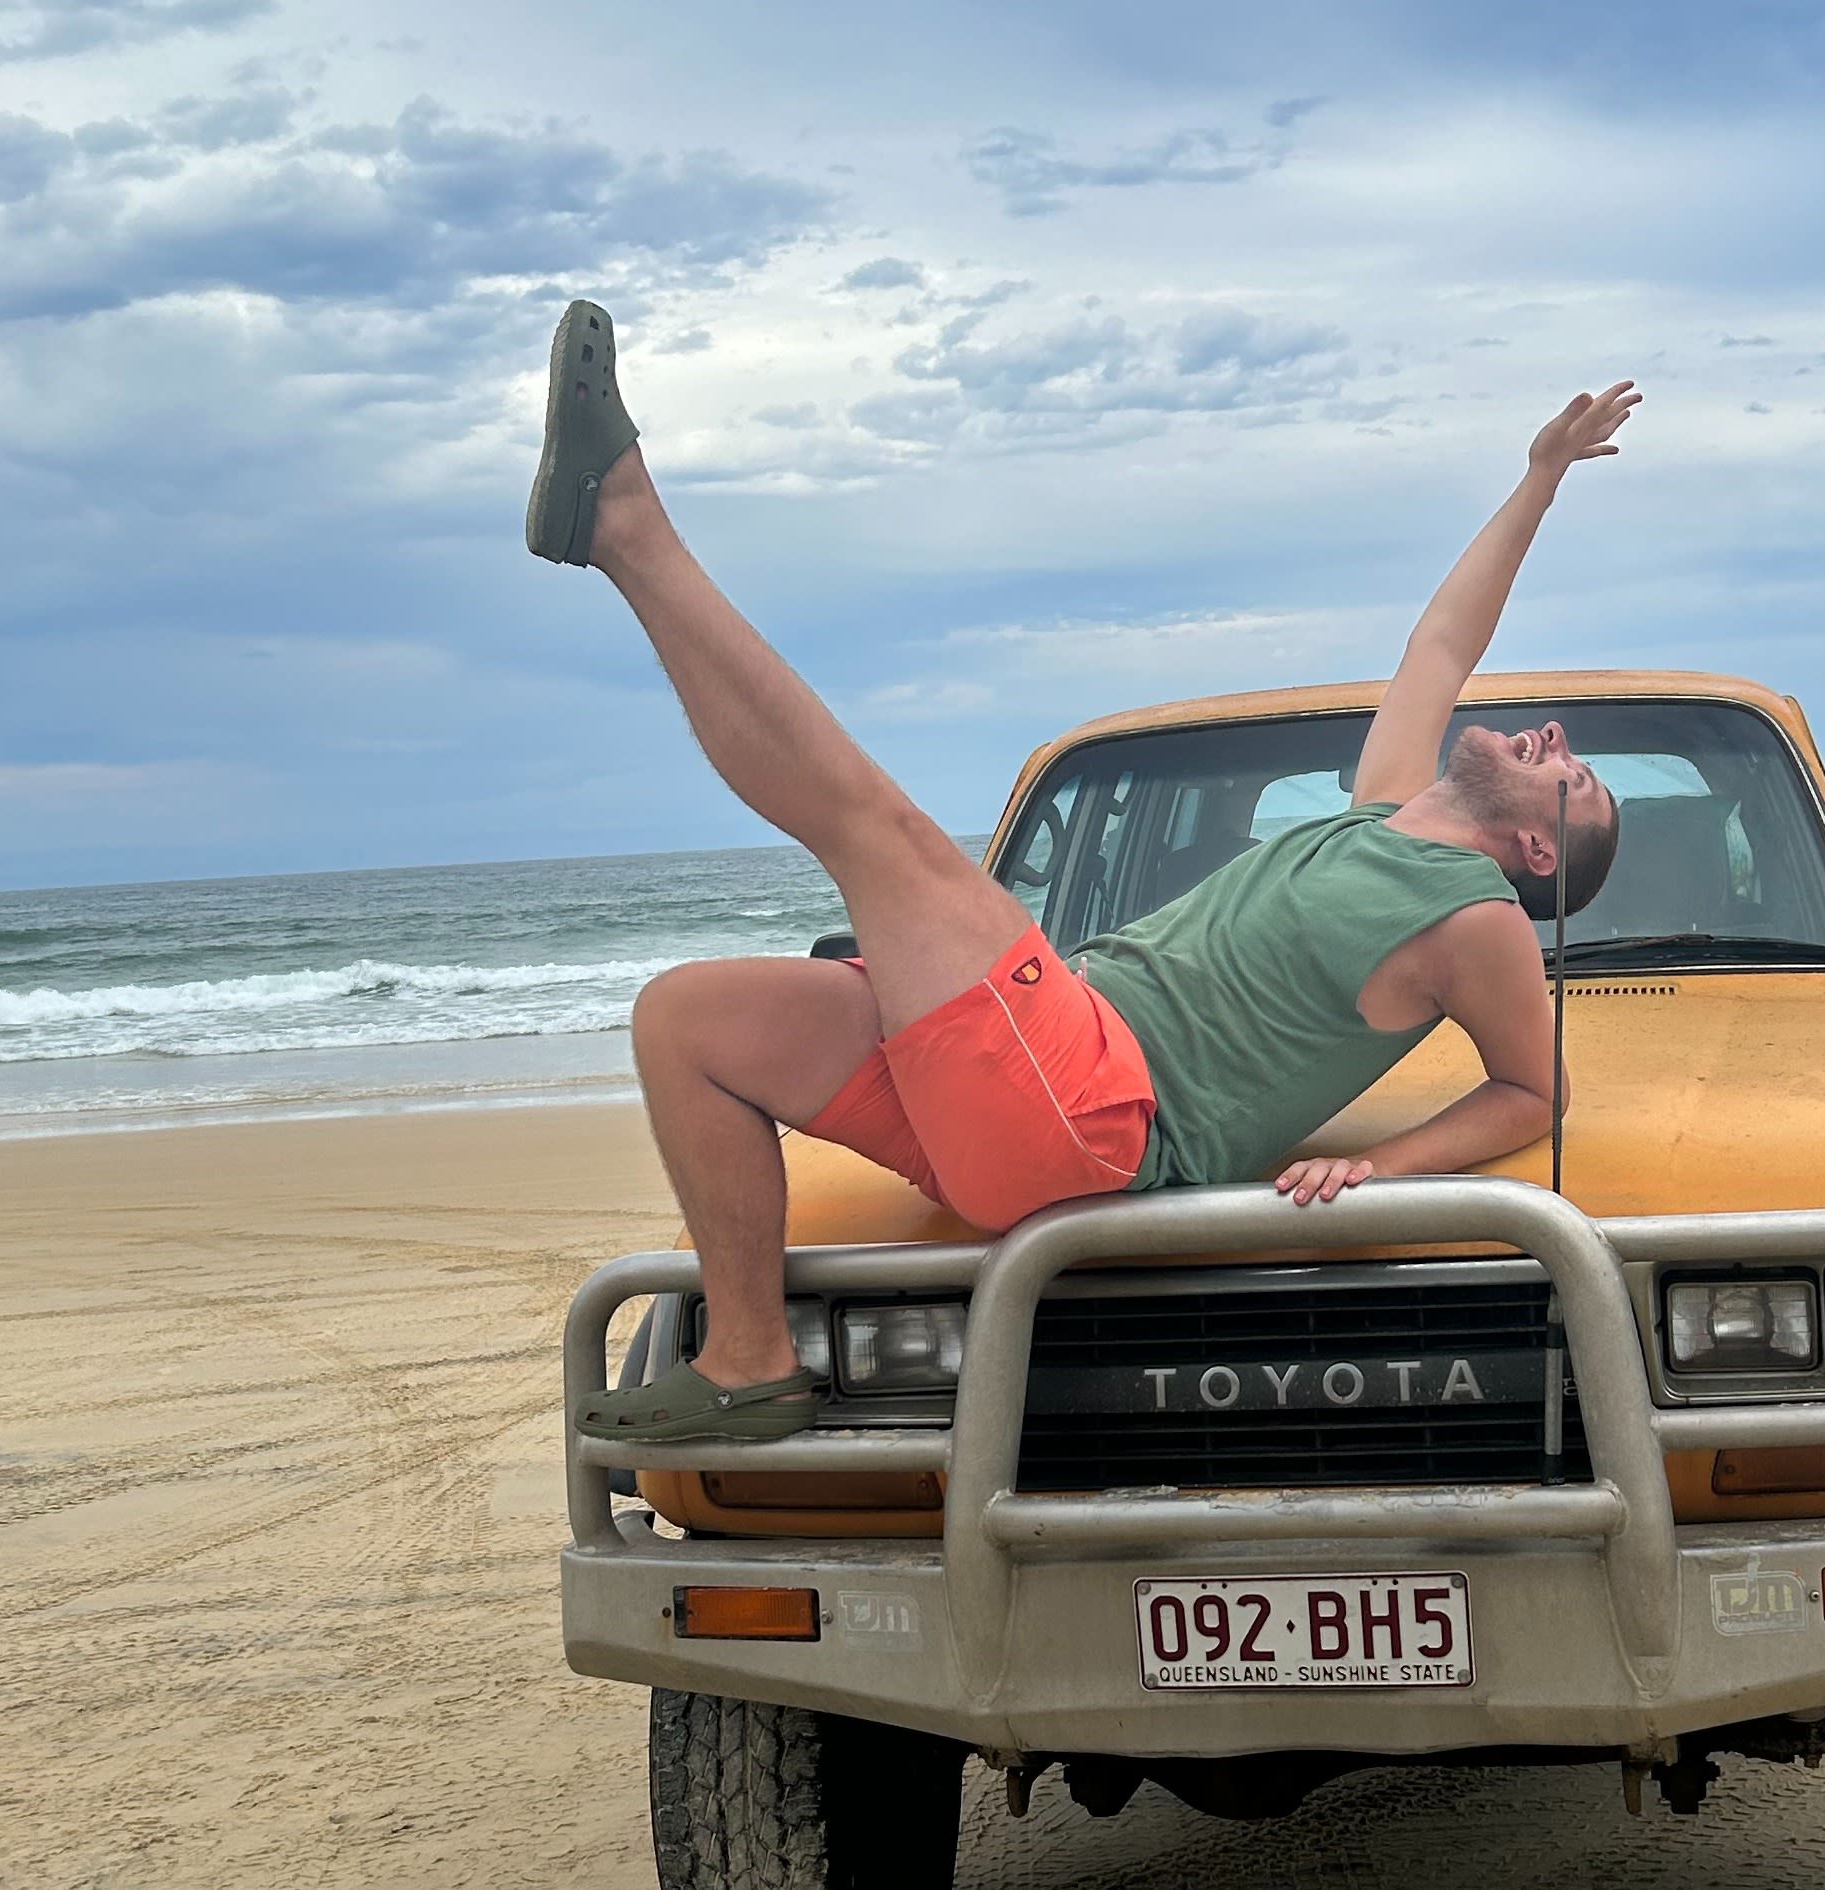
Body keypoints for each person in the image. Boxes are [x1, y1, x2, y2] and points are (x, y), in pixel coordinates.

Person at [539, 301, 1633, 1441]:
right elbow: (1442, 645)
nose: (1556, 738)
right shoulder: (1382, 819)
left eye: (1578, 777)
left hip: (1102, 1111)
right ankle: (747, 1362)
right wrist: (1540, 479)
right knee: (688, 1021)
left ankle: (626, 524)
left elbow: (1534, 1090)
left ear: (1539, 851)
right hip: (1044, 1069)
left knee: (878, 832)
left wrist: (1384, 1166)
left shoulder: (1478, 916)